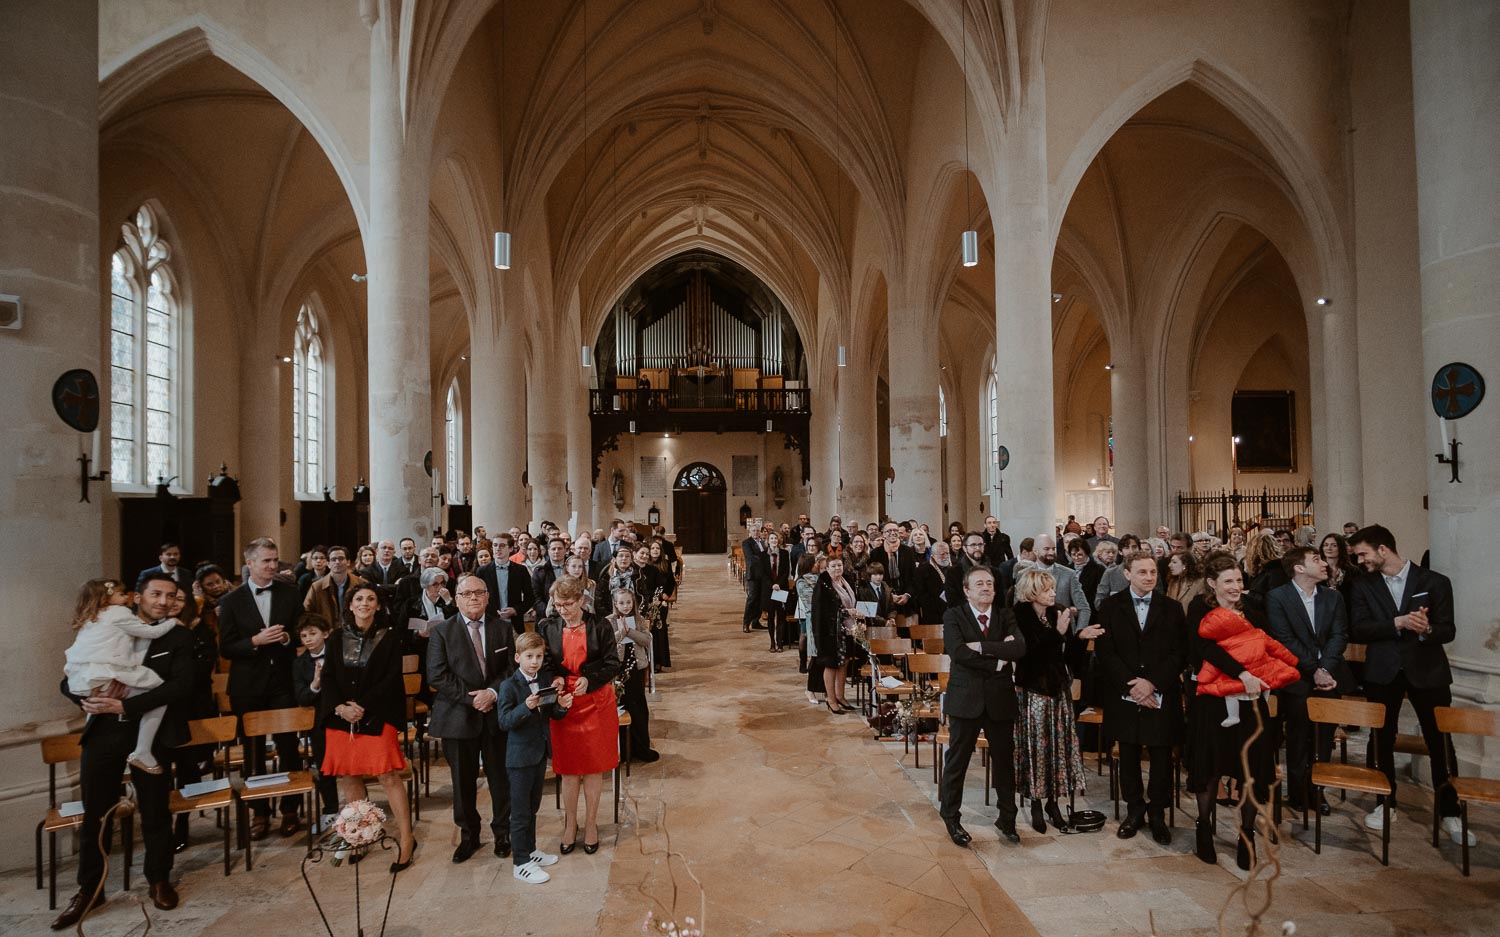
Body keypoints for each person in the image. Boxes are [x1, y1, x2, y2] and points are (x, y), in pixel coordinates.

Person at [53, 572, 192, 928]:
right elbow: (68, 678)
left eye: (170, 595)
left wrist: (126, 707)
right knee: (95, 813)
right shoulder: (104, 624)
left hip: (150, 732)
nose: (162, 601)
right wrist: (83, 698)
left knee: (155, 809)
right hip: (103, 733)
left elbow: (182, 685)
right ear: (138, 596)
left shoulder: (176, 636)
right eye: (155, 594)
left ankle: (159, 879)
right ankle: (90, 888)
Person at [1346, 524, 1470, 845]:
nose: (1360, 561)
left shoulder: (1435, 582)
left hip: (1427, 670)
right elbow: (1358, 629)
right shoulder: (1361, 586)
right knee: (1380, 739)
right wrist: (1397, 623)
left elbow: (1449, 630)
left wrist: (1427, 629)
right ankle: (1385, 804)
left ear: (1383, 549)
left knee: (1440, 741)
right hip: (1383, 671)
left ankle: (1450, 812)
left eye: (1363, 554)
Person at [1183, 555, 1279, 868]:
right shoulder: (1200, 607)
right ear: (1212, 583)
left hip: (1249, 699)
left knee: (1250, 769)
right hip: (1211, 700)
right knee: (1210, 767)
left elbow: (1263, 644)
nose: (1236, 586)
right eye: (1229, 581)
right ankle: (1203, 829)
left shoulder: (1252, 609)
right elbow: (1203, 648)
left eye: (1239, 580)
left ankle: (1247, 834)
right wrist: (1241, 670)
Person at [319, 582, 416, 872]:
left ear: (377, 606)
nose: (364, 603)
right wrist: (341, 707)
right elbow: (328, 678)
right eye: (358, 598)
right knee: (350, 776)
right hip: (341, 717)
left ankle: (407, 839)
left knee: (387, 776)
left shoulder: (389, 637)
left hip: (377, 714)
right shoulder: (336, 638)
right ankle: (360, 834)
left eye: (370, 599)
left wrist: (361, 707)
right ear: (349, 605)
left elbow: (390, 679)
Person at [1094, 553, 1186, 846]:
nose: (1149, 577)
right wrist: (1132, 685)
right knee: (1129, 752)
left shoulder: (1172, 608)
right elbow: (1106, 651)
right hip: (1125, 691)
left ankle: (1157, 812)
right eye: (1142, 572)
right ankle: (1134, 810)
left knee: (1161, 754)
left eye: (1152, 572)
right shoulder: (1110, 606)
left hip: (1161, 690)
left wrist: (1153, 683)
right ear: (1127, 574)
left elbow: (1179, 652)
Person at [218, 537, 305, 838]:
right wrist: (255, 642)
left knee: (288, 746)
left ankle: (291, 809)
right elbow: (226, 647)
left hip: (282, 680)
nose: (272, 566)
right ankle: (259, 812)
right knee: (253, 752)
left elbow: (299, 631)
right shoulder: (231, 601)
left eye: (275, 560)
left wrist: (285, 639)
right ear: (250, 564)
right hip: (248, 685)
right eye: (266, 561)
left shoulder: (290, 594)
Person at [428, 574, 516, 862]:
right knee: (463, 782)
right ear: (457, 598)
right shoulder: (442, 631)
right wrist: (472, 698)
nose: (474, 598)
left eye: (480, 592)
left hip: (495, 715)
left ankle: (503, 833)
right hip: (458, 716)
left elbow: (512, 671)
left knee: (500, 780)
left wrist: (492, 692)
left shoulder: (502, 628)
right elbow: (437, 675)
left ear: (488, 596)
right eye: (467, 594)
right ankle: (469, 836)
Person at [939, 566, 1027, 846]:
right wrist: (999, 658)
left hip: (1000, 698)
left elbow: (1019, 649)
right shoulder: (954, 615)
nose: (986, 588)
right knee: (957, 761)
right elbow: (959, 652)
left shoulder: (1006, 615)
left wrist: (983, 647)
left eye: (990, 583)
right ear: (967, 590)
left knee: (1004, 761)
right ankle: (951, 817)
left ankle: (1007, 818)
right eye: (979, 584)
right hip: (966, 699)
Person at [1012, 567, 1102, 833]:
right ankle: (1036, 802)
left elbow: (1064, 654)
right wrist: (1058, 633)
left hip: (1057, 690)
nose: (1053, 593)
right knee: (1037, 750)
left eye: (1052, 588)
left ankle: (1054, 802)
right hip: (1033, 691)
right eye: (1047, 589)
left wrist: (1078, 639)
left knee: (1057, 749)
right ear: (1032, 592)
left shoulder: (1056, 612)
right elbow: (1029, 656)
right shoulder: (1019, 616)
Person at [538, 575, 622, 855]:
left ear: (581, 600)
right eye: (558, 605)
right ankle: (570, 825)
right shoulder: (548, 627)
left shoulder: (600, 626)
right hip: (566, 703)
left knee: (594, 768)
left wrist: (592, 680)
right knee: (569, 769)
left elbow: (613, 663)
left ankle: (591, 825)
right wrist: (557, 679)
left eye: (568, 604)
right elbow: (546, 663)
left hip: (595, 701)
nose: (562, 610)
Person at [1264, 546, 1349, 815]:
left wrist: (1326, 668)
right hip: (1297, 677)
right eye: (1316, 559)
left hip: (1330, 677)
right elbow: (1284, 639)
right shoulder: (1277, 597)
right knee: (1299, 735)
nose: (1323, 563)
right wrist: (1314, 669)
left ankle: (1317, 791)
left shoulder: (1333, 598)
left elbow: (1340, 635)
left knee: (1324, 736)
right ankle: (1298, 792)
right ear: (1299, 568)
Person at [64, 579, 178, 774]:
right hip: (103, 726)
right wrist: (173, 622)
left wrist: (122, 705)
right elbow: (153, 632)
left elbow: (180, 686)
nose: (125, 597)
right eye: (121, 593)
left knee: (157, 692)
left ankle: (140, 751)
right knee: (157, 686)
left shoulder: (92, 617)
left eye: (170, 596)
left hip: (92, 678)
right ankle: (142, 749)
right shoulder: (120, 614)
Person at [495, 632, 572, 884]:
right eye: (529, 656)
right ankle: (520, 862)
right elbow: (504, 722)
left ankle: (530, 850)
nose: (534, 662)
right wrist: (524, 707)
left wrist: (562, 705)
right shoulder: (509, 686)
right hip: (518, 757)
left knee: (533, 807)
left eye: (538, 656)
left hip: (539, 753)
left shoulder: (545, 680)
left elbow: (552, 715)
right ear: (518, 657)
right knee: (519, 812)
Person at [292, 612, 341, 829]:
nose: (309, 639)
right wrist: (315, 684)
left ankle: (358, 809)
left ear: (326, 633)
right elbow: (302, 697)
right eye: (304, 636)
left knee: (350, 767)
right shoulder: (300, 663)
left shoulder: (338, 654)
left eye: (313, 633)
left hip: (341, 717)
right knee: (323, 768)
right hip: (318, 722)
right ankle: (330, 809)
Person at [605, 588, 658, 762]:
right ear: (615, 604)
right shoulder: (609, 621)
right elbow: (607, 642)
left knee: (638, 706)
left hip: (635, 667)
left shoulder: (639, 619)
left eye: (628, 602)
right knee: (620, 706)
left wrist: (631, 632)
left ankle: (640, 747)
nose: (625, 606)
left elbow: (646, 640)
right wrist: (621, 632)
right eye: (621, 603)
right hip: (617, 669)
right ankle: (622, 751)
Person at [811, 555, 861, 714]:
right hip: (829, 632)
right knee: (831, 664)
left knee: (844, 662)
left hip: (847, 629)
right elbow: (822, 611)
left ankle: (841, 696)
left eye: (839, 565)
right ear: (827, 568)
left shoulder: (846, 581)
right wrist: (846, 612)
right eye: (833, 566)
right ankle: (831, 699)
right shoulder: (823, 585)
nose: (837, 568)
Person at [1030, 535, 1091, 631]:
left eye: (1053, 549)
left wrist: (1079, 635)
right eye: (1046, 549)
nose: (1051, 552)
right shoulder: (1024, 574)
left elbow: (1084, 608)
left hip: (1065, 635)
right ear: (1035, 551)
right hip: (1033, 634)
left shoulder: (1069, 574)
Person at [477, 536, 535, 628]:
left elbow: (530, 597)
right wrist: (493, 612)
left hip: (514, 622)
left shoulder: (521, 570)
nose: (498, 549)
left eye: (502, 545)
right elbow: (479, 597)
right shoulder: (482, 571)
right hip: (490, 622)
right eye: (495, 545)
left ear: (511, 548)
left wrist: (515, 610)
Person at [304, 545, 365, 625]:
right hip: (327, 632)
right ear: (328, 564)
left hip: (356, 631)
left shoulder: (362, 584)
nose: (337, 562)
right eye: (333, 559)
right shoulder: (317, 587)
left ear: (348, 562)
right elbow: (307, 612)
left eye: (341, 558)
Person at [648, 538, 676, 670]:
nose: (655, 551)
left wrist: (667, 594)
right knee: (650, 630)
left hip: (661, 602)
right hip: (648, 602)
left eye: (657, 548)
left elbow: (671, 581)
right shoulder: (646, 564)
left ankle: (660, 662)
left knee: (660, 630)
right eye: (652, 548)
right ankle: (651, 662)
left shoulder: (665, 563)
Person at [762, 531, 792, 652]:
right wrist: (772, 585)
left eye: (775, 538)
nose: (774, 540)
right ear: (768, 541)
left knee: (781, 615)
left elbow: (786, 571)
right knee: (770, 617)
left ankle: (780, 643)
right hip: (768, 589)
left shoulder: (784, 553)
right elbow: (762, 573)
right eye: (771, 538)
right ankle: (772, 643)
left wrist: (778, 584)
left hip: (781, 588)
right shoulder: (763, 555)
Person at [913, 541, 952, 624]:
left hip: (952, 610)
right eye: (942, 554)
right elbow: (921, 594)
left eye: (947, 553)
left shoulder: (953, 568)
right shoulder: (923, 569)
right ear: (933, 555)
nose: (945, 556)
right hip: (933, 613)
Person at [740, 520, 768, 632]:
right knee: (752, 598)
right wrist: (764, 560)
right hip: (753, 574)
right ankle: (746, 623)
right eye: (754, 531)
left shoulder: (762, 542)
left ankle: (756, 621)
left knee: (761, 598)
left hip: (763, 574)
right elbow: (751, 557)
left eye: (757, 530)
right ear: (750, 532)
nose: (756, 532)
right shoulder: (746, 542)